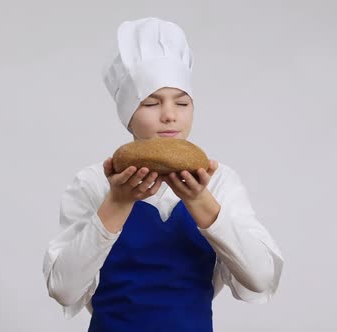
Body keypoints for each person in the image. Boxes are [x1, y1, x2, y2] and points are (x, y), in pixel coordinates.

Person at [42, 17, 284, 332]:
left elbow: (261, 277)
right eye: (151, 102)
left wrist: (200, 200)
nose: (169, 114)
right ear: (128, 115)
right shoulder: (93, 183)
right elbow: (63, 289)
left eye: (182, 102)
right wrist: (116, 203)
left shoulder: (220, 181)